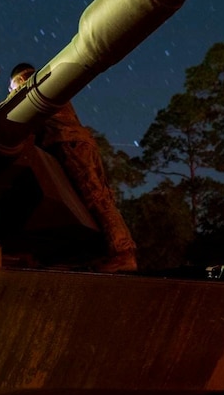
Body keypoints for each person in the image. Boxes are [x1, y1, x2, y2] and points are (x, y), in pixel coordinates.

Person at [9, 63, 138, 273]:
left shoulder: (34, 86)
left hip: (67, 142)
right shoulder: (51, 84)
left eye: (12, 87)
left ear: (21, 81)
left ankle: (122, 254)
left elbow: (13, 108)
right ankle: (107, 253)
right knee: (97, 197)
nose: (13, 92)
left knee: (94, 196)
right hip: (79, 141)